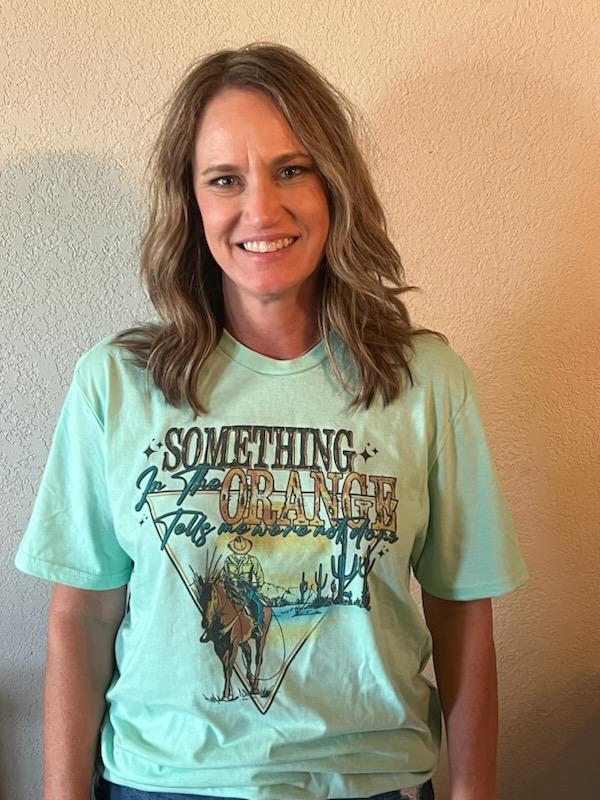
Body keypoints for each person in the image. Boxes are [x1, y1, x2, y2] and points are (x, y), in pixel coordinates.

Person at [15, 42, 528, 800]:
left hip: (369, 783)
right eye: (225, 179)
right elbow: (81, 619)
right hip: (162, 782)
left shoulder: (426, 382)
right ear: (191, 201)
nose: (262, 210)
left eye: (292, 170)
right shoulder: (116, 383)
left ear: (334, 184)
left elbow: (462, 616)